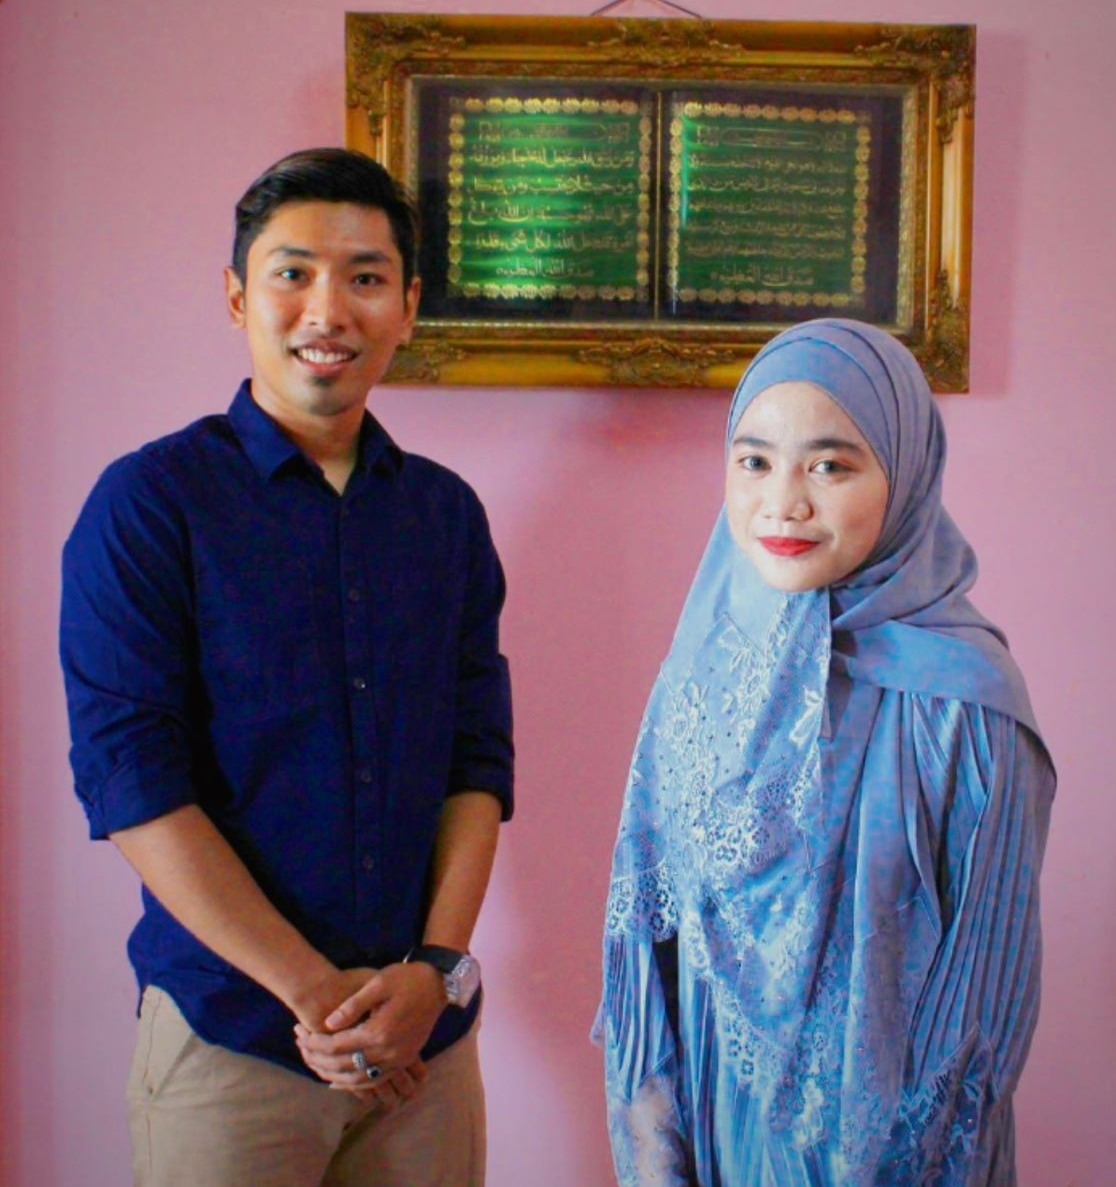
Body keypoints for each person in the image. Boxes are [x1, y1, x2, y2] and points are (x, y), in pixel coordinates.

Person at [59, 147, 513, 1187]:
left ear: (408, 307)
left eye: (365, 277)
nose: (328, 309)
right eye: (293, 273)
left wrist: (436, 973)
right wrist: (316, 994)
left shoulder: (445, 516)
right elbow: (132, 782)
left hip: (425, 1047)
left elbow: (477, 760)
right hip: (233, 1040)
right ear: (236, 296)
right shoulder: (150, 505)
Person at [595, 318, 1054, 1185]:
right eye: (754, 461)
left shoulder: (966, 705)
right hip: (719, 1143)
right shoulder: (708, 673)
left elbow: (978, 1012)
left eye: (831, 465)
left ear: (905, 476)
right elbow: (650, 947)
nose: (784, 502)